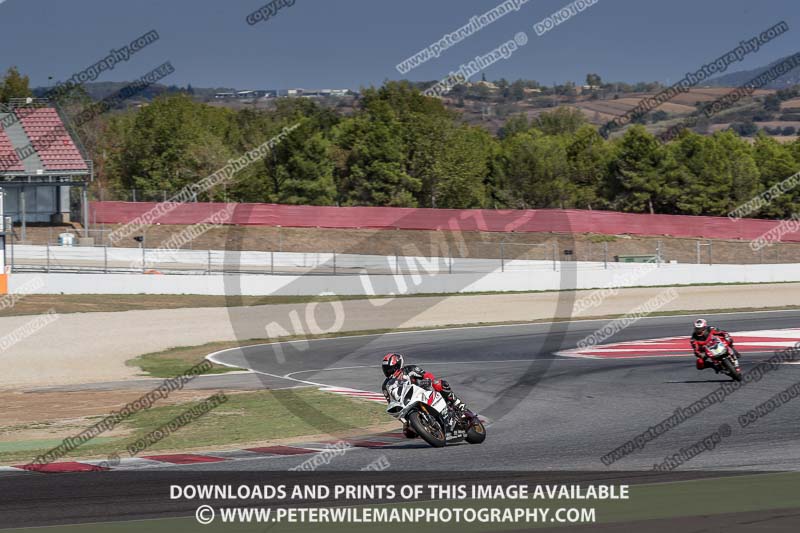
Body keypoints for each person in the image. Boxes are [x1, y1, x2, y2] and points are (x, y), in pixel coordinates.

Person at [381, 352, 466, 438]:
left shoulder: (410, 369)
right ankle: (429, 429)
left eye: (390, 369)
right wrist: (405, 422)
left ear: (398, 365)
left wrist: (428, 380)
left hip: (424, 392)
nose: (388, 372)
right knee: (408, 433)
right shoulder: (386, 386)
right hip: (408, 403)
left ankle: (457, 403)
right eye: (386, 369)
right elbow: (391, 402)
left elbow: (427, 375)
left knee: (438, 384)